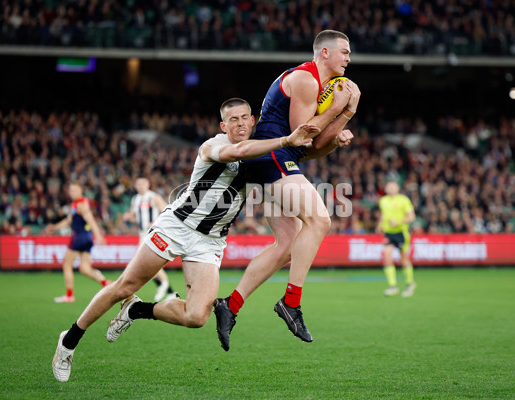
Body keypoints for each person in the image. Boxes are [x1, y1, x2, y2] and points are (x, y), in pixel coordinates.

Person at [52, 98, 319, 382]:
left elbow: (301, 152)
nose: (240, 124)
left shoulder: (260, 156)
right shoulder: (212, 146)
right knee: (123, 286)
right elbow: (243, 150)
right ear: (223, 125)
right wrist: (287, 139)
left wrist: (332, 139)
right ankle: (68, 342)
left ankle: (137, 309)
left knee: (197, 316)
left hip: (210, 241)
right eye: (233, 120)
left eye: (244, 118)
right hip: (178, 227)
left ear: (253, 121)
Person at [214, 29, 360, 350]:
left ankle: (231, 305)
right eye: (344, 52)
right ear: (324, 53)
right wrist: (337, 111)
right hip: (271, 155)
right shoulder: (307, 80)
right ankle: (291, 303)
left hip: (273, 157)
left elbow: (313, 148)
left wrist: (345, 114)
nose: (349, 58)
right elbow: (302, 135)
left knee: (287, 244)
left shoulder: (317, 86)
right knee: (320, 220)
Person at [45, 182, 110, 303]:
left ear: (81, 191)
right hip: (87, 238)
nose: (72, 192)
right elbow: (68, 220)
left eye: (75, 190)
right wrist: (54, 227)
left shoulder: (81, 205)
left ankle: (69, 295)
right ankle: (105, 282)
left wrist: (99, 236)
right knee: (84, 269)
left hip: (80, 236)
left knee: (66, 264)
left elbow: (91, 221)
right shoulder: (75, 204)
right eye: (71, 190)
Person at [123, 177, 178, 302]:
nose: (140, 186)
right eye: (138, 184)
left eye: (142, 184)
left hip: (154, 233)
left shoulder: (154, 197)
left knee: (146, 262)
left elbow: (168, 212)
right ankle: (169, 291)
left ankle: (164, 284)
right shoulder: (135, 199)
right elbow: (134, 218)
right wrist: (128, 217)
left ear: (148, 184)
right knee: (146, 263)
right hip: (142, 234)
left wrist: (154, 222)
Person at [376, 180, 416, 297]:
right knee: (387, 256)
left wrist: (398, 222)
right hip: (388, 233)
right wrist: (380, 225)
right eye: (389, 186)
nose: (391, 188)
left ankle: (410, 284)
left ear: (398, 188)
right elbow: (384, 215)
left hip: (401, 233)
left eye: (393, 186)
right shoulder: (383, 200)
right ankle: (393, 286)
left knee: (403, 259)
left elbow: (411, 217)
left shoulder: (403, 200)